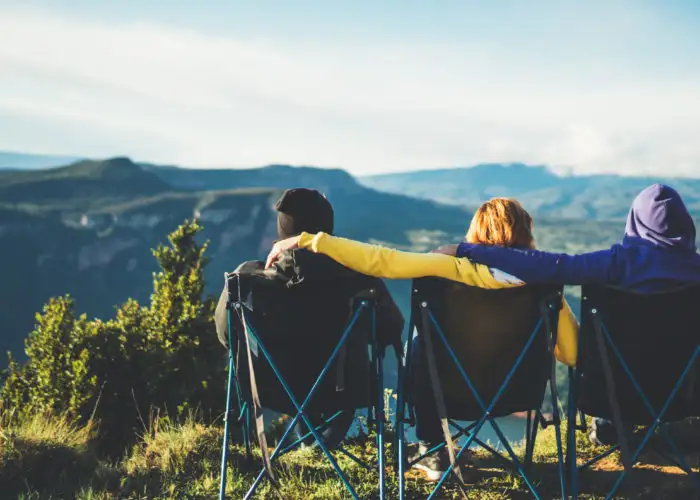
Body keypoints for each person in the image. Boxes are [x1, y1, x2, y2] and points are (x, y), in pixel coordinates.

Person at [265, 197, 579, 479]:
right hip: (515, 394)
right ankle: (438, 448)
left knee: (420, 339)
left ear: (476, 235)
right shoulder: (545, 289)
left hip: (443, 391)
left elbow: (380, 260)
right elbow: (574, 354)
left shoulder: (449, 269)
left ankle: (433, 446)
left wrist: (308, 241)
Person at [449, 184, 700, 446]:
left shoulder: (613, 264)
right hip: (687, 395)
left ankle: (610, 427)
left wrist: (468, 249)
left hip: (615, 395)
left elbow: (543, 266)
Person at [214, 188, 404, 449]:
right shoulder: (360, 278)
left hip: (270, 387)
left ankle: (311, 448)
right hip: (342, 388)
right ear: (328, 229)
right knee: (335, 394)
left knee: (300, 393)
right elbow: (390, 331)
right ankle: (320, 447)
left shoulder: (245, 280)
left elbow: (226, 336)